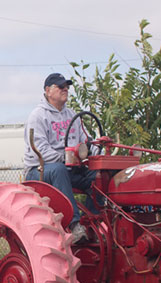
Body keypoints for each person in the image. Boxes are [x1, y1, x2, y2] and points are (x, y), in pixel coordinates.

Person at [23, 72, 98, 243]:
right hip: (40, 170)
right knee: (59, 170)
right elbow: (40, 150)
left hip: (70, 168)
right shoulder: (38, 116)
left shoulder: (72, 115)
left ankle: (94, 223)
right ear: (48, 90)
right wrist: (68, 158)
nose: (65, 89)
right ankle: (74, 225)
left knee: (98, 176)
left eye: (67, 87)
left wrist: (96, 150)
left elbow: (84, 141)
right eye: (60, 86)